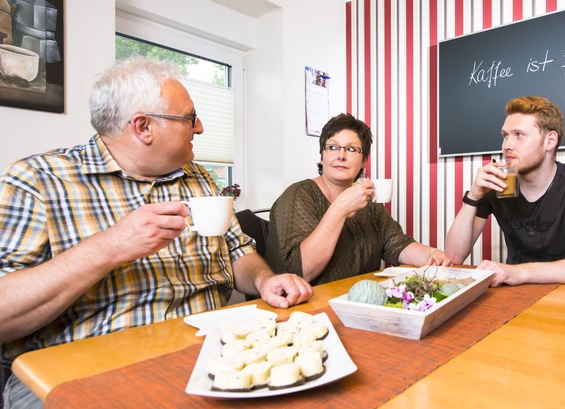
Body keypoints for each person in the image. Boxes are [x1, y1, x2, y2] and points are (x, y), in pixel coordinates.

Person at [0, 57, 313, 408]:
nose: (200, 128)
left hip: (212, 354)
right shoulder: (37, 181)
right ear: (143, 127)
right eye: (189, 118)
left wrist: (262, 281)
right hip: (88, 371)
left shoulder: (199, 178)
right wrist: (111, 246)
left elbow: (238, 251)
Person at [445, 96, 565, 287]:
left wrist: (520, 272)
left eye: (519, 135)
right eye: (505, 135)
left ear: (549, 141)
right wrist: (473, 197)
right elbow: (453, 256)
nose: (507, 145)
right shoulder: (500, 184)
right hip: (517, 296)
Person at [265, 113, 452, 286]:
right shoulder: (299, 195)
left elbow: (398, 245)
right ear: (322, 156)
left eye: (352, 149)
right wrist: (340, 208)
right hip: (305, 310)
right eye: (332, 147)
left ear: (363, 161)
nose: (341, 156)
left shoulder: (368, 201)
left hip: (358, 301)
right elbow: (299, 272)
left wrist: (431, 254)